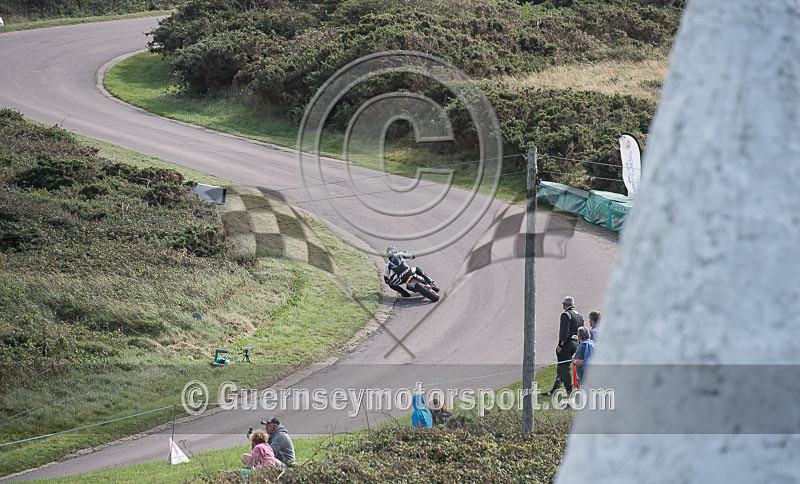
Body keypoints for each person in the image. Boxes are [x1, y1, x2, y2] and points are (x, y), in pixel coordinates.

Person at [543, 296, 583, 396]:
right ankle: (555, 388)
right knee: (562, 367)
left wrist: (560, 344)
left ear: (564, 305)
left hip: (567, 343)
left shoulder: (566, 315)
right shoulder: (580, 316)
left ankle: (569, 390)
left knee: (564, 367)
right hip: (577, 343)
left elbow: (564, 331)